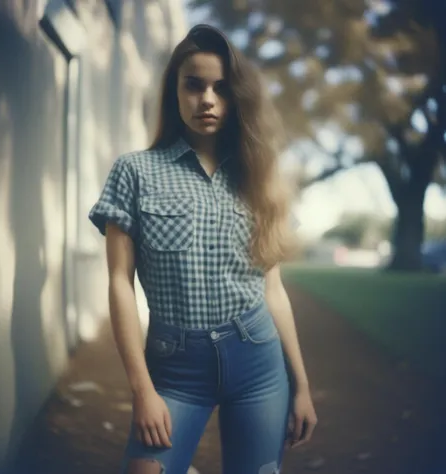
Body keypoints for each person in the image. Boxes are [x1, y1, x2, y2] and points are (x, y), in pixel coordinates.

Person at [89, 23, 317, 474]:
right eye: (194, 85)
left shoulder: (258, 177)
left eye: (221, 88)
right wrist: (142, 391)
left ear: (237, 98)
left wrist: (302, 386)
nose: (207, 99)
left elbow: (273, 290)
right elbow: (119, 282)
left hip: (257, 359)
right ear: (174, 92)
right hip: (175, 368)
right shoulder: (135, 171)